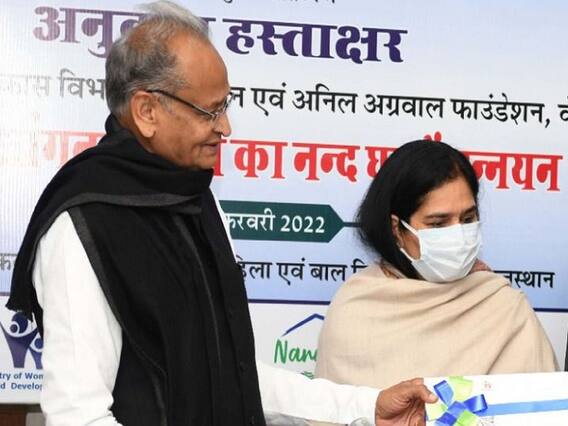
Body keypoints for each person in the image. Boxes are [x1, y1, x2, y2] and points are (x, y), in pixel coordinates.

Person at [7, 2, 436, 425]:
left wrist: (365, 407)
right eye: (209, 111)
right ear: (146, 111)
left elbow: (234, 376)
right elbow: (77, 415)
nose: (225, 127)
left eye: (225, 106)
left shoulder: (195, 197)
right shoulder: (82, 224)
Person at [314, 140, 559, 392]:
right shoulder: (356, 309)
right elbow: (336, 408)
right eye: (438, 224)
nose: (459, 234)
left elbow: (541, 402)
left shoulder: (504, 307)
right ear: (397, 229)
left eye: (468, 219)